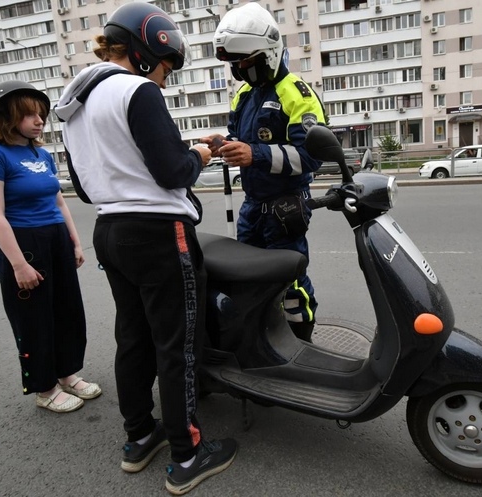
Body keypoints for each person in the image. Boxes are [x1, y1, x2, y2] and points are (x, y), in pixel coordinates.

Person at [53, 3, 237, 495]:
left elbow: (87, 189)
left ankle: (139, 437)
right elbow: (173, 173)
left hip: (110, 229)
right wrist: (197, 153)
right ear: (148, 48)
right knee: (177, 344)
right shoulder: (138, 90)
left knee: (133, 338)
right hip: (159, 233)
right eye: (166, 68)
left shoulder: (75, 103)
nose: (165, 79)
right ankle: (187, 454)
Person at [201, 2, 328, 342]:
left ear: (269, 53)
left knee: (290, 282)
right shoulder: (243, 95)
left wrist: (253, 154)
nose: (240, 69)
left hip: (286, 207)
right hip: (253, 206)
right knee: (247, 278)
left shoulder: (297, 94)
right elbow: (242, 143)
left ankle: (303, 341)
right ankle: (263, 338)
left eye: (246, 61)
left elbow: (311, 158)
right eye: (235, 64)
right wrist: (222, 143)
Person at [0, 81, 101, 414]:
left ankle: (67, 373)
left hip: (55, 237)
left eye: (41, 113)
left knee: (67, 310)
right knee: (34, 318)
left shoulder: (40, 154)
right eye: (28, 114)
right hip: (23, 243)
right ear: (6, 116)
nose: (38, 119)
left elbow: (58, 201)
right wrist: (18, 265)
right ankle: (44, 387)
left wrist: (73, 241)